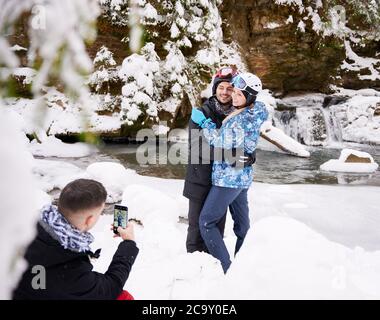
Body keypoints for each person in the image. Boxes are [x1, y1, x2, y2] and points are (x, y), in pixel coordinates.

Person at [191, 72, 269, 273]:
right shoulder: (256, 111)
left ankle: (228, 269)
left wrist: (204, 123)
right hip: (242, 179)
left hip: (228, 179)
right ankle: (243, 266)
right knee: (242, 227)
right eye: (235, 92)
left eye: (240, 95)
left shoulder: (237, 120)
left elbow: (217, 142)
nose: (234, 97)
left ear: (250, 97)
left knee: (206, 222)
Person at [13, 178, 138, 300]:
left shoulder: (20, 228)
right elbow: (111, 287)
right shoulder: (71, 271)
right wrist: (128, 244)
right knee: (123, 297)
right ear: (89, 220)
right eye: (99, 213)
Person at [183, 66, 257, 253]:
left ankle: (214, 263)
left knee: (216, 226)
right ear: (215, 89)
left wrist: (249, 157)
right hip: (200, 179)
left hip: (224, 182)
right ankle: (192, 262)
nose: (224, 92)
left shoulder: (238, 114)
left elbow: (247, 143)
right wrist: (230, 155)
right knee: (196, 228)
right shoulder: (202, 114)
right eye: (221, 87)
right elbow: (198, 147)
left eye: (229, 88)